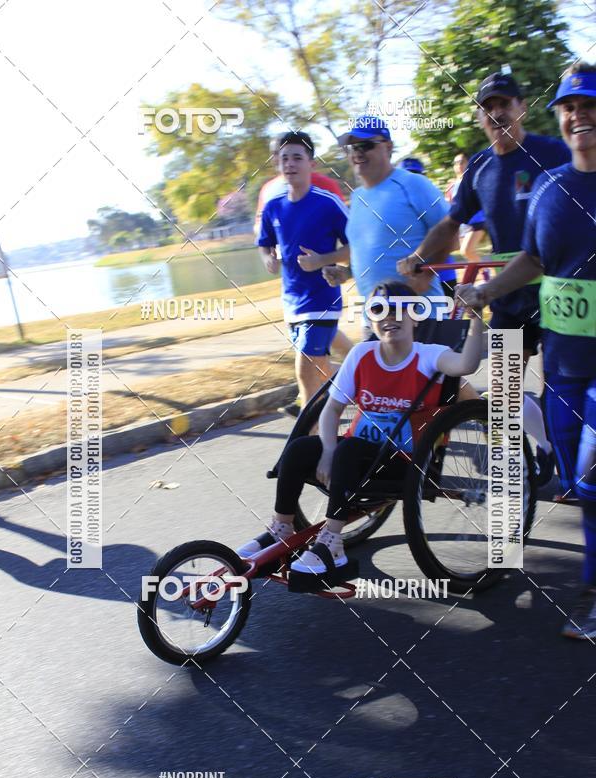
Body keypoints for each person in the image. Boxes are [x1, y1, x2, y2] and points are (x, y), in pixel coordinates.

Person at [456, 61, 596, 639]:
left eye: (588, 106)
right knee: (575, 474)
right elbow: (534, 261)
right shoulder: (551, 186)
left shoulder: (544, 164)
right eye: (570, 108)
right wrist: (484, 289)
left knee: (591, 472)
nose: (578, 117)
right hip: (560, 358)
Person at [238, 280, 485, 577]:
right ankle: (282, 527)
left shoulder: (429, 354)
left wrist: (475, 318)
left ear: (415, 317)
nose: (389, 317)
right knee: (300, 448)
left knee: (350, 449)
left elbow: (467, 365)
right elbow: (331, 411)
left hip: (406, 463)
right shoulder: (361, 355)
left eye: (398, 310)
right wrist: (327, 451)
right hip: (355, 459)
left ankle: (332, 543)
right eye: (379, 310)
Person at [398, 72, 572, 487]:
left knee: (561, 393)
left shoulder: (553, 152)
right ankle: (536, 457)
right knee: (506, 394)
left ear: (522, 107)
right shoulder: (479, 166)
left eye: (504, 104)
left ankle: (564, 463)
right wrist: (419, 258)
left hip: (561, 291)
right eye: (487, 107)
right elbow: (451, 223)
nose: (496, 113)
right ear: (480, 116)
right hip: (509, 293)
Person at [304, 117, 452, 338]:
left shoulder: (412, 184)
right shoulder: (358, 197)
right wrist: (346, 272)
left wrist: (426, 275)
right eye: (352, 147)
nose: (357, 153)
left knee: (444, 373)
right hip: (375, 321)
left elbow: (450, 234)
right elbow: (369, 252)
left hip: (421, 316)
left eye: (366, 145)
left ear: (388, 147)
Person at [258, 131, 349, 410]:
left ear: (312, 163)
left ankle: (305, 440)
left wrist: (322, 260)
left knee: (304, 371)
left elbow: (355, 246)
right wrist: (268, 258)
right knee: (321, 370)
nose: (290, 164)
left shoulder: (327, 203)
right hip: (292, 302)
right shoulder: (273, 207)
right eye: (284, 158)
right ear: (277, 164)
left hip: (323, 300)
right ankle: (367, 386)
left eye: (298, 157)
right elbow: (265, 245)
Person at [399, 156, 459, 298]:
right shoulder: (399, 208)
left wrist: (427, 272)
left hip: (443, 275)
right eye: (407, 175)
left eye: (416, 175)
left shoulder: (434, 200)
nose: (412, 180)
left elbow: (455, 243)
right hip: (414, 280)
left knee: (450, 320)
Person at [445, 152, 487, 262]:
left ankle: (485, 271)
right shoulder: (451, 186)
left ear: (468, 163)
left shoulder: (475, 180)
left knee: (467, 250)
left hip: (477, 220)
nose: (458, 165)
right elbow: (449, 205)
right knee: (468, 254)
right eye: (456, 163)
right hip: (462, 224)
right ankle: (484, 273)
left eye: (461, 162)